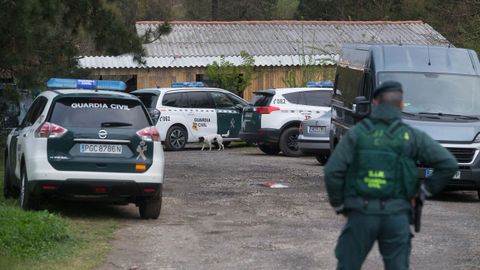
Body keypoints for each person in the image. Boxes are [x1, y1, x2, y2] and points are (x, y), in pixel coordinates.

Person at [324, 81, 458, 270]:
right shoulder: (411, 136)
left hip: (362, 213)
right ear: (401, 105)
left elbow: (332, 171)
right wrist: (424, 191)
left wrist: (339, 204)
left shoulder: (357, 134)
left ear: (375, 103)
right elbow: (448, 164)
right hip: (396, 215)